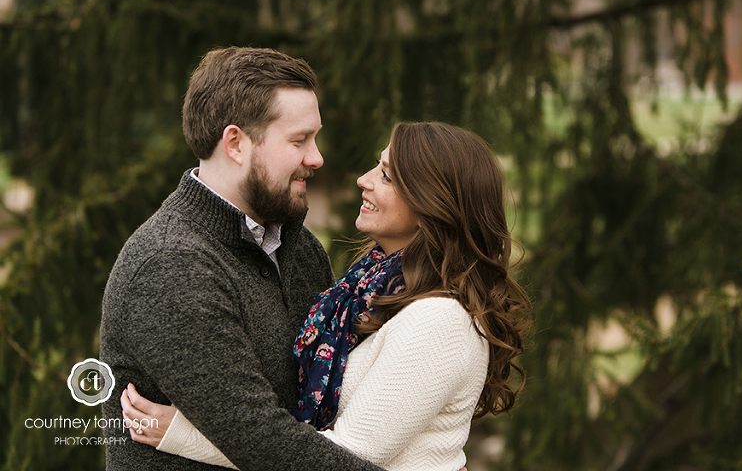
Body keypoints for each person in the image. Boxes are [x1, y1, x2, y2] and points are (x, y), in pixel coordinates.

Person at [121, 122, 533, 471]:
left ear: (434, 205)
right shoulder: (368, 293)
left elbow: (347, 458)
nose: (364, 179)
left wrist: (187, 437)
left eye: (386, 175)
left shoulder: (441, 321)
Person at [99, 46, 385, 471]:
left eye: (316, 137)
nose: (317, 157)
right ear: (235, 143)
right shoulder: (169, 266)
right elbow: (263, 441)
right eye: (299, 140)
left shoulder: (300, 249)